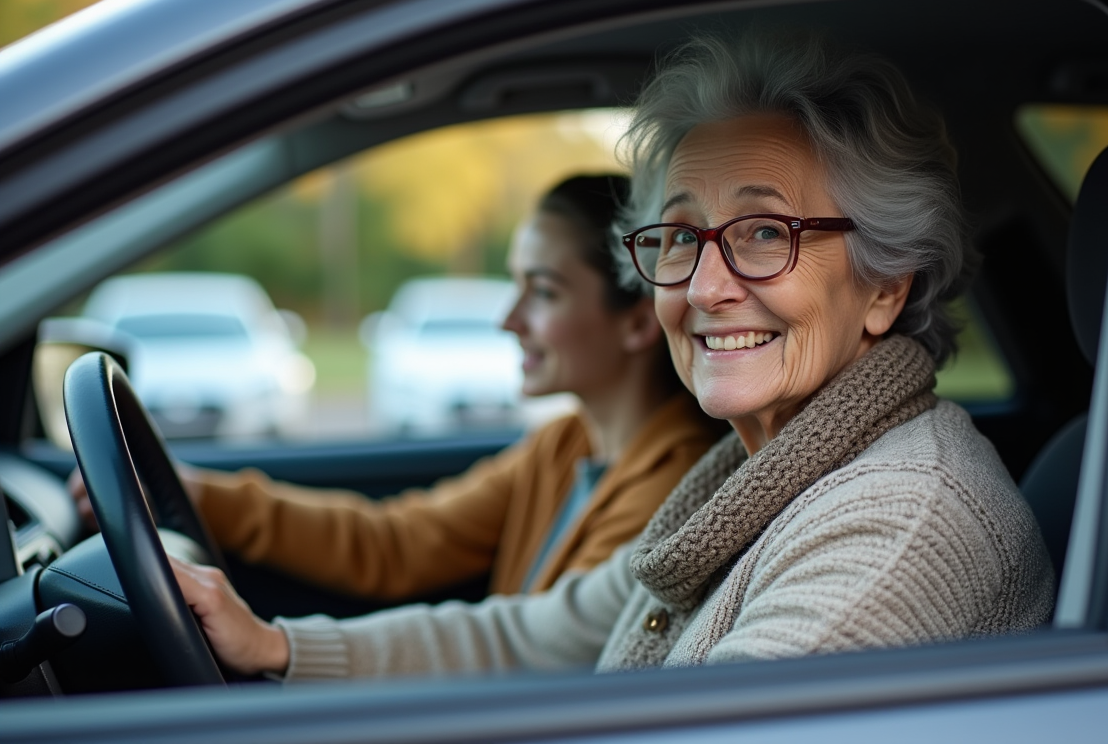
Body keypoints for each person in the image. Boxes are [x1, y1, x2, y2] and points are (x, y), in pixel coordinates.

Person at [172, 31, 1056, 679]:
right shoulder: (745, 484)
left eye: (761, 233)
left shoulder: (895, 529)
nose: (704, 287)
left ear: (884, 287)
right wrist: (273, 645)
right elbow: (528, 639)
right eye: (677, 238)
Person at [74, 174, 728, 602]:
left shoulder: (666, 488)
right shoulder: (566, 445)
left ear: (639, 320)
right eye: (515, 284)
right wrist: (198, 495)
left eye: (545, 292)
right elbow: (397, 543)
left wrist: (277, 649)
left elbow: (543, 651)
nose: (508, 319)